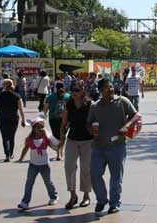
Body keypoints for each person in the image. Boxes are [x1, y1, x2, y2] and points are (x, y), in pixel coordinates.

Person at [87, 78, 140, 214]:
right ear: (100, 90)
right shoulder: (95, 106)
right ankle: (101, 200)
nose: (110, 89)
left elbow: (136, 115)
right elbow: (89, 124)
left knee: (116, 177)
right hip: (98, 146)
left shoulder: (122, 101)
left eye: (111, 87)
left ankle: (114, 203)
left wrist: (126, 126)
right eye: (106, 88)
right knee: (94, 174)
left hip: (117, 146)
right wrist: (91, 130)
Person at [59, 81, 93, 209]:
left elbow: (96, 122)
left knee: (86, 169)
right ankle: (73, 196)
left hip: (88, 141)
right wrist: (62, 137)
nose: (73, 92)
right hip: (72, 139)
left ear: (83, 91)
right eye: (72, 89)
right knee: (69, 167)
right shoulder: (69, 105)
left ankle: (86, 196)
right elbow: (63, 123)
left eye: (77, 90)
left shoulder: (90, 105)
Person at [17, 118, 60, 211]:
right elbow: (25, 149)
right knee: (29, 182)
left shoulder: (46, 139)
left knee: (48, 182)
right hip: (33, 165)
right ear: (33, 129)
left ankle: (54, 196)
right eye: (38, 128)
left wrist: (59, 149)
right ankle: (25, 202)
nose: (41, 130)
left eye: (42, 127)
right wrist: (21, 158)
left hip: (45, 165)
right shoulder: (30, 139)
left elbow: (55, 146)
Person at [0, 79, 27, 162]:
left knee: (4, 137)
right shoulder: (17, 96)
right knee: (12, 136)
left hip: (2, 118)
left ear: (4, 85)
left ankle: (7, 155)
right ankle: (11, 153)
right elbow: (21, 109)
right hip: (13, 118)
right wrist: (23, 120)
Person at [44, 83, 70, 161]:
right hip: (65, 119)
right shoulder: (68, 96)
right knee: (63, 135)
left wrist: (45, 115)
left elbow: (45, 108)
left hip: (53, 119)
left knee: (56, 136)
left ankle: (58, 153)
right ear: (63, 87)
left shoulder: (50, 96)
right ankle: (61, 151)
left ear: (56, 87)